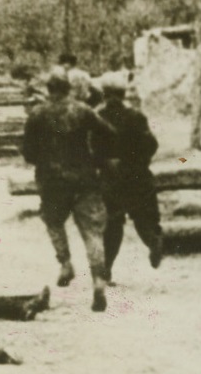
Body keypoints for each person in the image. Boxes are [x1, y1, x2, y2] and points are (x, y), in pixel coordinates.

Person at [22, 69, 116, 312]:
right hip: (84, 179)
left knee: (53, 222)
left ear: (48, 89)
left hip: (52, 181)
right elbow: (108, 132)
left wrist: (43, 160)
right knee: (92, 231)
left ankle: (64, 262)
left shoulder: (37, 114)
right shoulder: (83, 111)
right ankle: (97, 281)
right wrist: (97, 157)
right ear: (68, 88)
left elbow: (28, 152)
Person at [97, 73, 163, 282]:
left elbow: (90, 148)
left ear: (104, 94)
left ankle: (106, 268)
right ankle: (154, 241)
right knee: (144, 216)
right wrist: (139, 162)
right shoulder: (136, 116)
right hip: (137, 175)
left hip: (110, 177)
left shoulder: (97, 116)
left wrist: (103, 163)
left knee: (112, 224)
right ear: (124, 94)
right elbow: (151, 144)